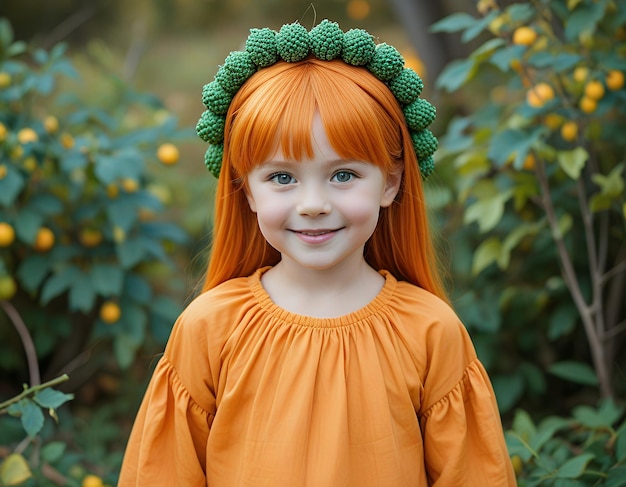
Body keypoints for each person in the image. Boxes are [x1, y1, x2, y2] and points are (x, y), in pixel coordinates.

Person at [118, 19, 517, 486]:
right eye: (282, 177)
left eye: (343, 174)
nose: (313, 205)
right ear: (246, 189)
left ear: (390, 182)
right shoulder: (209, 328)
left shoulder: (431, 332)